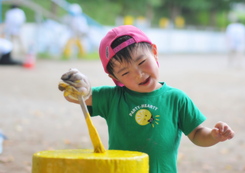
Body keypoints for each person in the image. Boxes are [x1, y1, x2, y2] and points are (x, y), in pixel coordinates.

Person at [59, 25, 235, 173]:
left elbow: (197, 134)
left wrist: (213, 135)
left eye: (142, 62)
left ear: (154, 52)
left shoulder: (176, 99)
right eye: (125, 72)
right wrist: (77, 86)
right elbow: (78, 97)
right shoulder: (112, 98)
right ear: (115, 78)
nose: (138, 74)